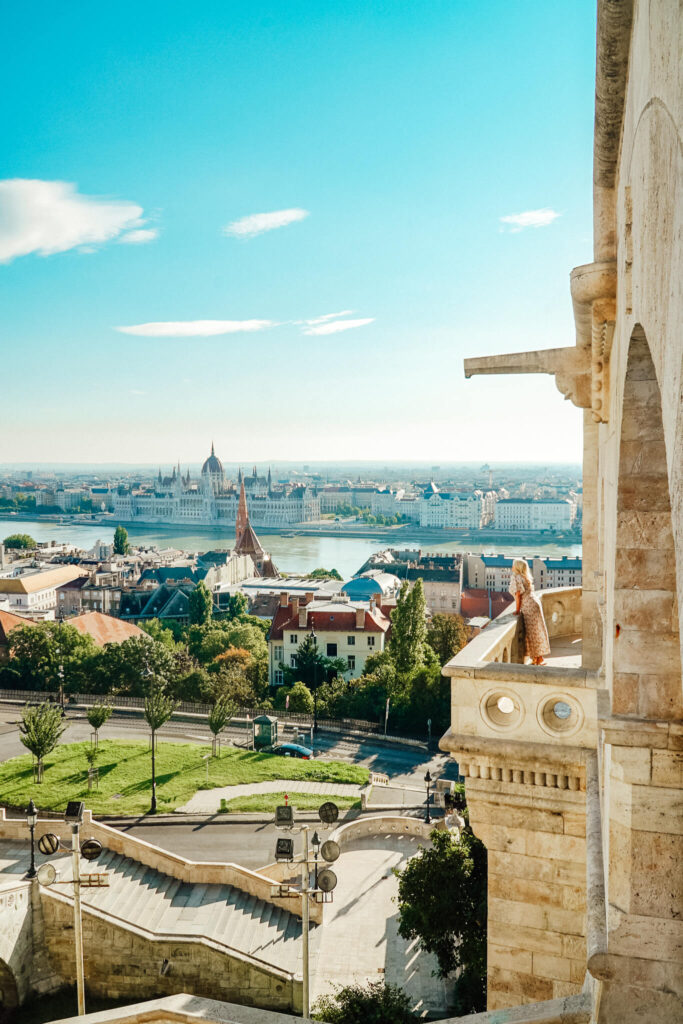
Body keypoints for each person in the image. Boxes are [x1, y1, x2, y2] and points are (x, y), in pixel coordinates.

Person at [509, 558, 550, 665]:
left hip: (528, 606)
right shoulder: (525, 577)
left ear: (517, 567)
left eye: (513, 565)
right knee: (537, 632)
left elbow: (518, 595)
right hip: (535, 603)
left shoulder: (516, 577)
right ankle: (537, 658)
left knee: (532, 633)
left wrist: (517, 610)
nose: (511, 567)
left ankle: (538, 659)